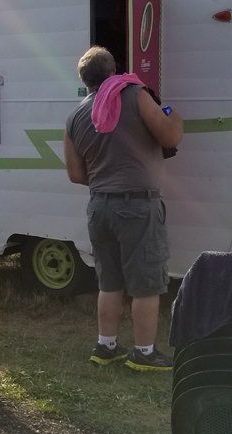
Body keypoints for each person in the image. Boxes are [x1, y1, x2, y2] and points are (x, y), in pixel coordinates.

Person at [64, 46, 184, 370]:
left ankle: (106, 347)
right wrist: (174, 117)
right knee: (146, 283)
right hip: (137, 204)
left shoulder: (76, 114)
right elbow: (169, 136)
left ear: (85, 80)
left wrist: (107, 176)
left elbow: (76, 174)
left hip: (99, 206)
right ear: (113, 69)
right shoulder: (134, 94)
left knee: (109, 281)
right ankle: (144, 353)